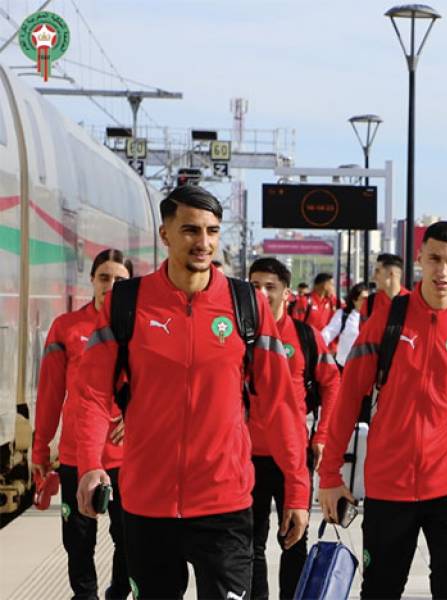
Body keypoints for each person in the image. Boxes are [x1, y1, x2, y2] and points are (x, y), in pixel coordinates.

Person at [74, 185, 311, 600]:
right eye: (190, 230)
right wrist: (90, 464)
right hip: (147, 503)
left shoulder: (246, 304)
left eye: (212, 231)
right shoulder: (126, 303)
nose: (203, 243)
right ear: (165, 234)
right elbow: (93, 392)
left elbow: (281, 404)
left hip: (225, 502)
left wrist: (297, 487)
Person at [317, 221, 447, 600]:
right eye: (435, 259)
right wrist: (329, 474)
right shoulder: (388, 319)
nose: (443, 271)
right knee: (379, 592)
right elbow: (347, 398)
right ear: (421, 260)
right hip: (388, 487)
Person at [31, 249, 133, 600]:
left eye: (120, 280)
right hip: (76, 454)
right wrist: (40, 447)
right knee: (77, 539)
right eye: (104, 277)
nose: (111, 285)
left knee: (128, 537)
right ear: (91, 280)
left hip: (126, 457)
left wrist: (134, 420)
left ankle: (118, 593)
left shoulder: (138, 329)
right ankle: (85, 595)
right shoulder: (67, 328)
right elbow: (49, 393)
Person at [248, 257, 342, 600]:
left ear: (286, 293)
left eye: (269, 287)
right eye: (254, 286)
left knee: (293, 540)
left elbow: (333, 384)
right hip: (245, 457)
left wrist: (322, 435)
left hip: (292, 458)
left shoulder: (306, 337)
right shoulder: (240, 335)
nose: (261, 293)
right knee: (250, 544)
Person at [322, 282, 371, 368]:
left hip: (365, 367)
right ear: (354, 299)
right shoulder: (343, 315)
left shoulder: (373, 317)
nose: (367, 302)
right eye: (364, 298)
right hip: (344, 366)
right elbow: (327, 334)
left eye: (369, 299)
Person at [360, 253, 407, 322]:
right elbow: (363, 331)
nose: (374, 277)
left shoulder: (413, 303)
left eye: (377, 271)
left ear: (391, 274)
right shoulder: (370, 303)